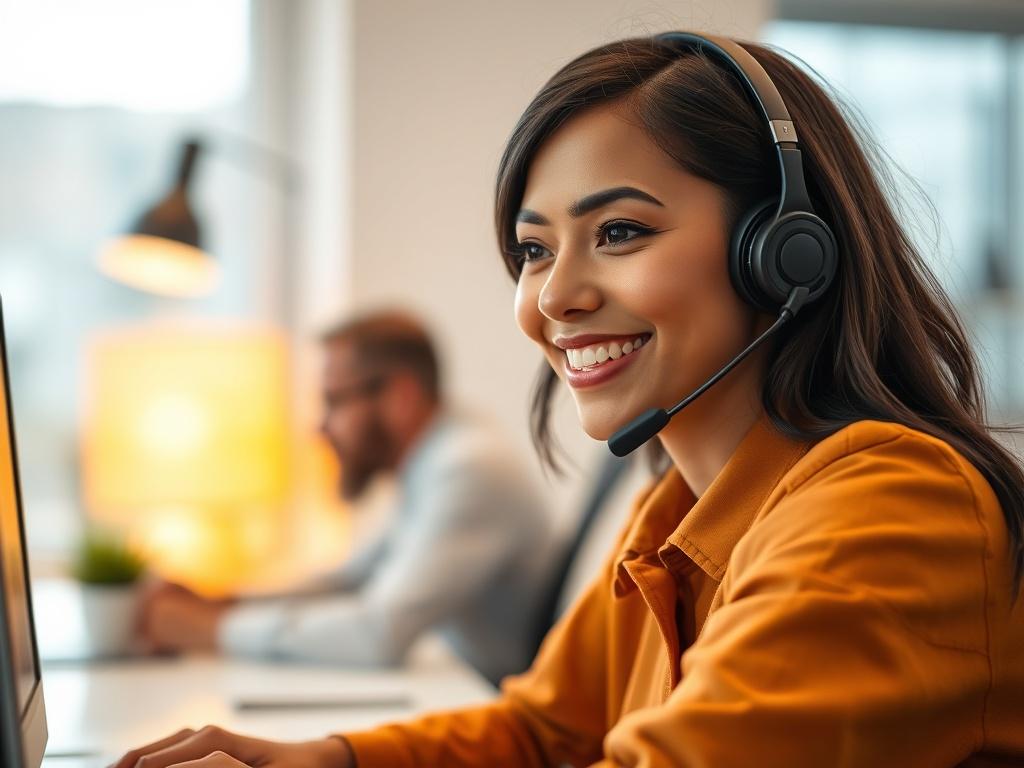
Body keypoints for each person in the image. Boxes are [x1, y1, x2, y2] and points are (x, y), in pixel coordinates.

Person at [114, 31, 1024, 767]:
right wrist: (331, 759)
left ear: (786, 253)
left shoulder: (892, 512)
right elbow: (543, 731)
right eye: (534, 250)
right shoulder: (672, 516)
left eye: (619, 231)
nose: (553, 298)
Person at [137, 310, 556, 685]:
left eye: (334, 400)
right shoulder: (436, 460)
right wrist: (221, 601)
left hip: (506, 713)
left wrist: (208, 630)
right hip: (473, 689)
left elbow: (378, 634)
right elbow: (350, 580)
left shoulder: (467, 469)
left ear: (401, 397)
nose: (320, 428)